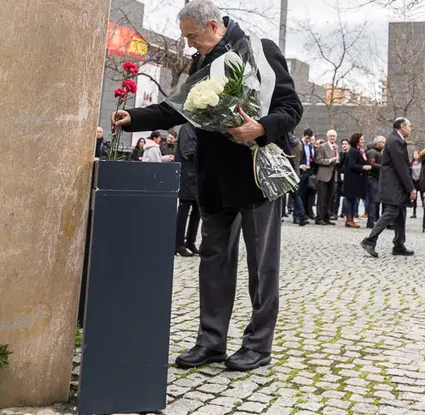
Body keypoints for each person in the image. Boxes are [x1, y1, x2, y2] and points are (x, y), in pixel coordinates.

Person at [112, 0, 302, 371]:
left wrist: (260, 128)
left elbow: (291, 107)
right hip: (214, 179)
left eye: (192, 37)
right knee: (213, 262)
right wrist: (133, 117)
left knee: (262, 266)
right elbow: (178, 109)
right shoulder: (202, 59)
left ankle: (258, 345)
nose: (188, 45)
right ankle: (211, 340)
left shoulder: (260, 51)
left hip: (255, 175)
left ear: (214, 26)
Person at [361, 118, 417, 258]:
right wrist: (411, 188)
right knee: (391, 212)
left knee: (400, 213)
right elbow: (401, 167)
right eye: (409, 126)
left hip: (395, 185)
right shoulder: (395, 141)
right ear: (402, 127)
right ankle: (370, 240)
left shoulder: (395, 140)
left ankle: (399, 244)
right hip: (393, 185)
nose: (410, 129)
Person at [175, 124, 201, 256]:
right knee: (184, 209)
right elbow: (189, 151)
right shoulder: (187, 127)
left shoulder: (196, 127)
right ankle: (178, 243)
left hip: (196, 175)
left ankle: (191, 241)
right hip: (187, 175)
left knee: (197, 210)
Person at [342, 133, 372, 228]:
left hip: (355, 179)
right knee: (350, 199)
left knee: (353, 199)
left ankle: (350, 219)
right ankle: (349, 219)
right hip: (352, 179)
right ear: (356, 140)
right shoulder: (353, 151)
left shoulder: (358, 151)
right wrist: (363, 167)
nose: (363, 141)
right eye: (361, 139)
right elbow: (351, 165)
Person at [315, 132, 339, 225]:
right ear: (327, 137)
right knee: (322, 198)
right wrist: (329, 160)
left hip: (333, 175)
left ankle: (326, 217)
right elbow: (318, 160)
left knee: (330, 198)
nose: (332, 137)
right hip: (324, 176)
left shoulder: (336, 146)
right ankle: (319, 218)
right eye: (331, 136)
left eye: (334, 136)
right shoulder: (323, 146)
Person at [289, 132, 309, 226]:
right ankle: (302, 216)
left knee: (278, 197)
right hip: (295, 172)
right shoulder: (299, 143)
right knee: (296, 196)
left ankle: (277, 217)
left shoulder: (282, 140)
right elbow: (301, 157)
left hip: (284, 171)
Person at [365, 136, 385, 228]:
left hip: (378, 178)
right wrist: (383, 166)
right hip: (373, 178)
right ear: (378, 143)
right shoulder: (372, 152)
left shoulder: (379, 152)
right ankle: (371, 220)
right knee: (374, 200)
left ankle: (375, 219)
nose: (384, 144)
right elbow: (371, 164)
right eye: (383, 142)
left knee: (376, 200)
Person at [298, 129, 315, 220]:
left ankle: (304, 214)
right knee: (300, 194)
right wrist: (300, 166)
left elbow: (311, 158)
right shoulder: (299, 144)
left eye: (310, 138)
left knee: (305, 194)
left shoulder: (310, 146)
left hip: (308, 171)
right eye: (307, 138)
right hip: (301, 171)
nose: (308, 140)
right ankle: (298, 215)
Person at [334, 137, 349, 219]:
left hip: (346, 177)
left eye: (346, 144)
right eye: (343, 144)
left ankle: (344, 213)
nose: (344, 146)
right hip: (339, 176)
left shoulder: (350, 154)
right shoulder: (339, 154)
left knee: (346, 197)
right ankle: (335, 212)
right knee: (336, 196)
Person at [410, 150, 424, 218]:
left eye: (416, 154)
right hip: (414, 181)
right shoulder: (412, 163)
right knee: (414, 198)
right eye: (414, 154)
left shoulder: (422, 163)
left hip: (420, 181)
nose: (414, 155)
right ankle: (414, 213)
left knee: (422, 197)